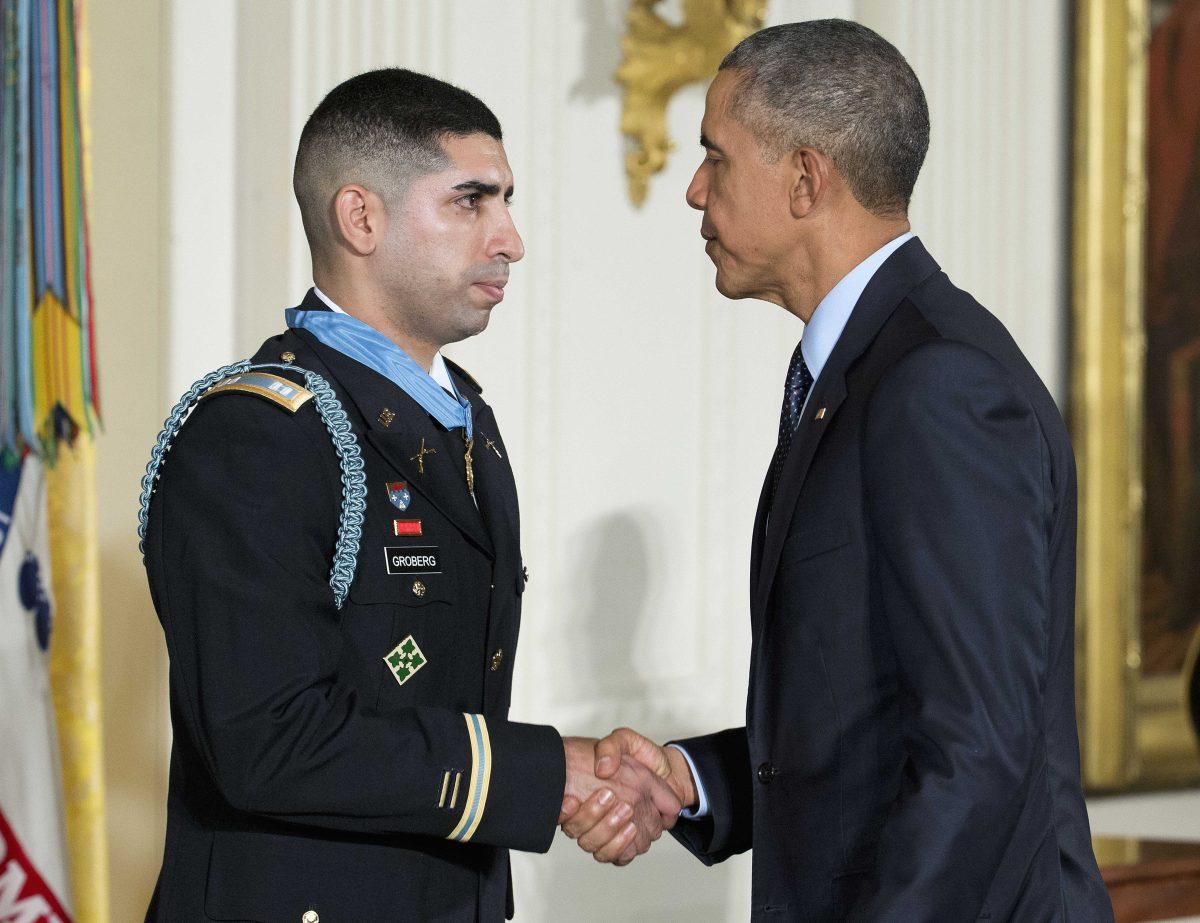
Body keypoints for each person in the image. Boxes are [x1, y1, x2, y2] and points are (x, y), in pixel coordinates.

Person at [560, 20, 1115, 920]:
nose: (694, 190)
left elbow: (978, 750)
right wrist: (691, 780)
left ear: (807, 178)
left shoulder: (939, 383)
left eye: (716, 156)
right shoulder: (868, 368)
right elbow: (870, 721)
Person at [139, 68, 678, 922]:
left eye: (507, 199)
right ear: (361, 218)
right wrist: (547, 774)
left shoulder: (465, 420)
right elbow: (266, 738)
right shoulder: (257, 433)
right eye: (471, 200)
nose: (510, 238)